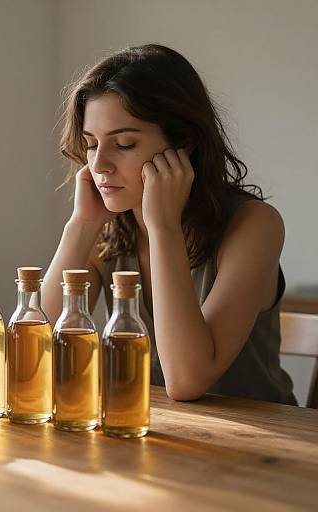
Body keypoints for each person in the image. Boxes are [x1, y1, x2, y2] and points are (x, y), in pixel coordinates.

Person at [42, 43, 296, 405]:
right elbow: (32, 357)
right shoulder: (108, 229)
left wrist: (163, 228)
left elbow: (187, 381)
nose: (98, 165)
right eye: (91, 144)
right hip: (154, 435)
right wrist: (80, 225)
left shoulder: (254, 225)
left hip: (259, 447)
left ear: (184, 143)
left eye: (124, 143)